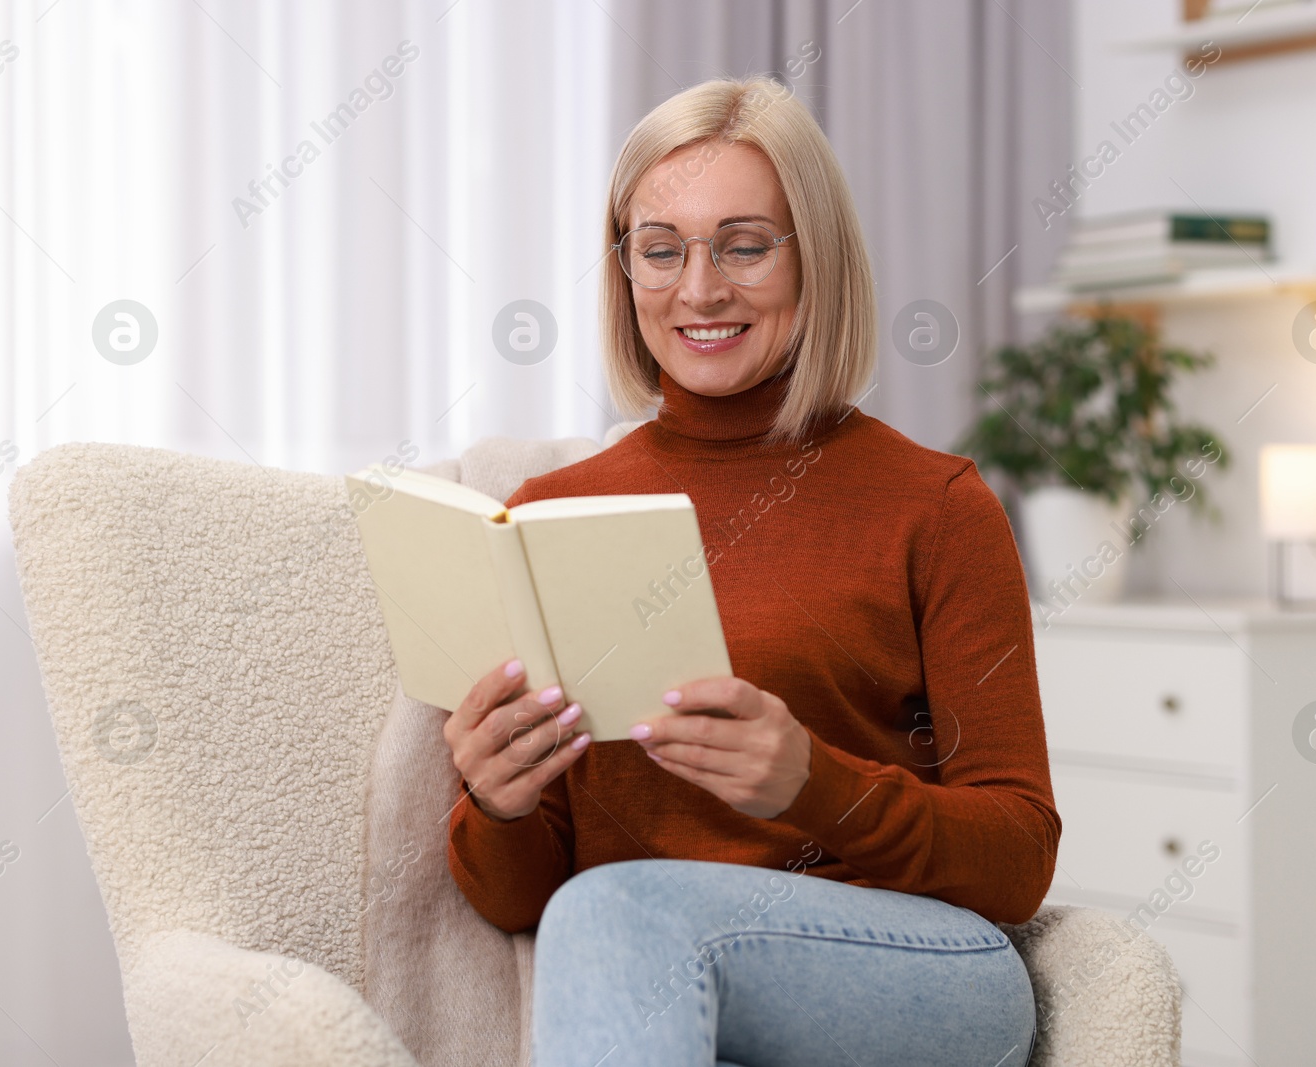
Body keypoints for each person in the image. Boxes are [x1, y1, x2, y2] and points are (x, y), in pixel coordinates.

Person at [444, 74, 1058, 1067]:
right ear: (625, 271)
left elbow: (1018, 857)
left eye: (743, 243)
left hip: (923, 971)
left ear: (812, 260)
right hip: (653, 971)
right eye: (661, 249)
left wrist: (813, 782)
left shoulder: (936, 505)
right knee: (611, 920)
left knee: (615, 910)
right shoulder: (550, 516)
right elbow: (523, 899)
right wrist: (497, 802)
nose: (699, 289)